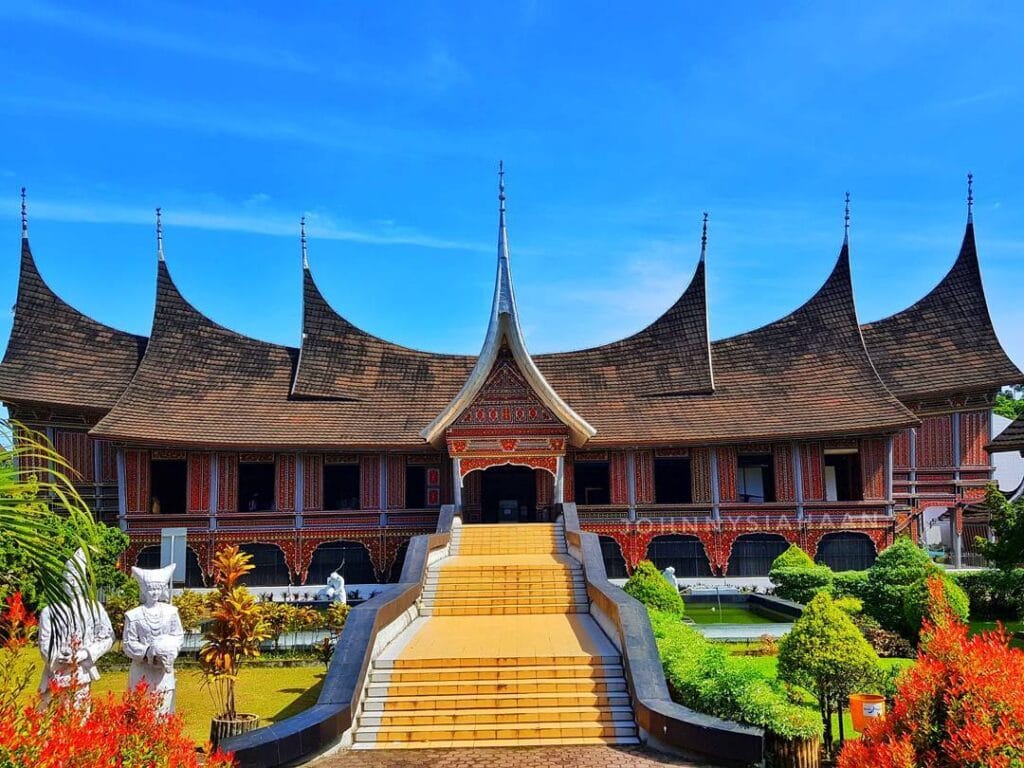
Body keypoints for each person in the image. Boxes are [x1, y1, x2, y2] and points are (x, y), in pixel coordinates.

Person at [37, 549, 114, 706]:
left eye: (76, 580)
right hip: (56, 674)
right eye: (68, 580)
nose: (72, 584)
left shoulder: (95, 608)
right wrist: (58, 656)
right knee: (53, 720)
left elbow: (108, 637)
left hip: (82, 674)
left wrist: (85, 653)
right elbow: (44, 643)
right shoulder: (49, 612)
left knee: (79, 721)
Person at [122, 564, 185, 714]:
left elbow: (178, 635)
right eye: (150, 589)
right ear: (144, 590)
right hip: (141, 670)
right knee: (141, 714)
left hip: (164, 671)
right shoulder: (134, 615)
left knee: (164, 713)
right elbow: (128, 643)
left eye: (157, 589)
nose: (154, 592)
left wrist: (169, 651)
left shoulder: (171, 612)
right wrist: (148, 652)